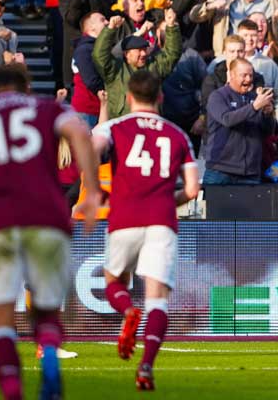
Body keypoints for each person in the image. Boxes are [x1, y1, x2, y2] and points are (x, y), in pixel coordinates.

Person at [0, 65, 100, 400]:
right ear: (26, 89)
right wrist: (93, 191)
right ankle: (49, 350)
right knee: (46, 301)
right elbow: (82, 133)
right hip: (47, 217)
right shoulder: (47, 109)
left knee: (0, 318)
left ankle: (12, 391)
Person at [93, 70, 200, 391]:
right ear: (161, 97)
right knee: (158, 301)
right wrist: (169, 199)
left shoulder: (113, 127)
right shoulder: (178, 134)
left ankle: (127, 311)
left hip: (124, 216)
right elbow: (193, 189)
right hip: (161, 221)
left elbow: (91, 150)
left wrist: (99, 190)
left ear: (128, 97)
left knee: (114, 281)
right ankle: (146, 367)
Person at [204, 58, 277, 185]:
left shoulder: (255, 99)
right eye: (244, 75)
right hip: (220, 171)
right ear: (231, 75)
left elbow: (266, 132)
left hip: (250, 172)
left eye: (250, 75)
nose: (248, 79)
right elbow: (227, 119)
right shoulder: (218, 96)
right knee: (214, 205)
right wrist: (254, 107)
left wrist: (267, 115)